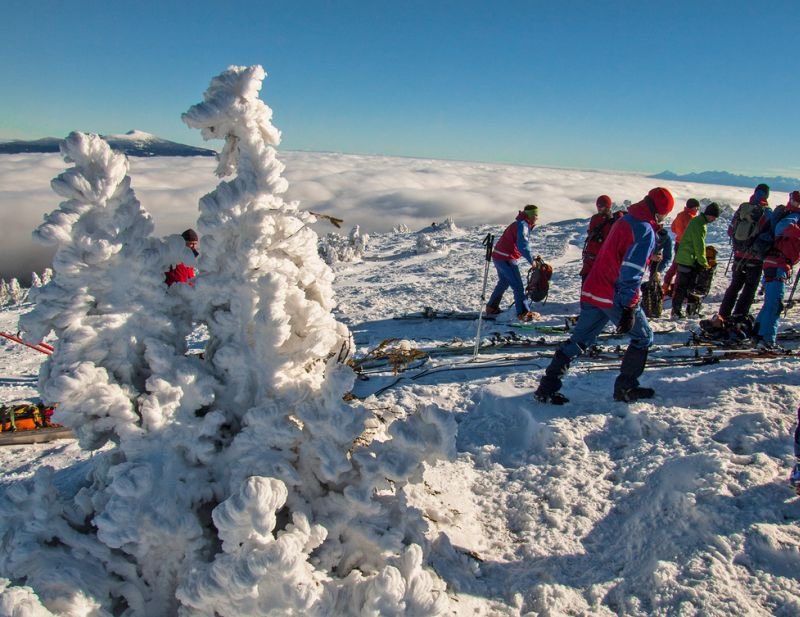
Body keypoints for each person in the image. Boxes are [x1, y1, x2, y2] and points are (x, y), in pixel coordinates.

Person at [534, 187, 675, 404]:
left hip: (593, 288)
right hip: (613, 293)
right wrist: (629, 306)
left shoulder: (625, 220)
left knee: (580, 340)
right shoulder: (644, 230)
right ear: (661, 211)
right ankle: (626, 388)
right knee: (643, 337)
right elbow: (632, 270)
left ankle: (547, 387)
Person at [716, 183, 772, 323]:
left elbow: (730, 230)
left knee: (734, 286)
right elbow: (769, 235)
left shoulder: (742, 208)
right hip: (754, 258)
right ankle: (739, 317)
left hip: (738, 256)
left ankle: (723, 315)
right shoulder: (766, 212)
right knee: (749, 288)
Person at [752, 191, 800, 347]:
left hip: (772, 262)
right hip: (778, 263)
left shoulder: (788, 213)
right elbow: (782, 228)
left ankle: (757, 335)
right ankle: (767, 340)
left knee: (770, 302)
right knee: (775, 304)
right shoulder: (795, 216)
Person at [485, 205, 540, 322]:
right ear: (530, 215)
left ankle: (492, 307)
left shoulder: (519, 223)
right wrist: (532, 261)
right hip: (506, 258)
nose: (537, 218)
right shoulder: (523, 225)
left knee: (504, 282)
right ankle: (523, 313)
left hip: (499, 256)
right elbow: (523, 246)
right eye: (535, 215)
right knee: (517, 285)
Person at [671, 202, 720, 318]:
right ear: (711, 215)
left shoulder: (697, 221)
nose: (714, 220)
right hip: (688, 258)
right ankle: (682, 311)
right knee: (687, 286)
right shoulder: (700, 225)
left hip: (685, 256)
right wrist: (703, 262)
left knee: (684, 285)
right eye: (714, 217)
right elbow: (699, 245)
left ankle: (679, 310)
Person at [580, 195, 623, 281]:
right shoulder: (595, 219)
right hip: (590, 260)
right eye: (598, 206)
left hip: (602, 261)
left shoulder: (613, 221)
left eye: (602, 206)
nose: (599, 208)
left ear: (608, 206)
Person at [662, 198, 700, 296]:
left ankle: (666, 285)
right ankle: (676, 290)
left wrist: (680, 234)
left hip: (678, 243)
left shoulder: (680, 215)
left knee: (675, 265)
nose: (697, 209)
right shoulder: (692, 218)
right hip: (686, 246)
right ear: (694, 207)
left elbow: (673, 228)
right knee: (682, 268)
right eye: (697, 207)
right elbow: (694, 235)